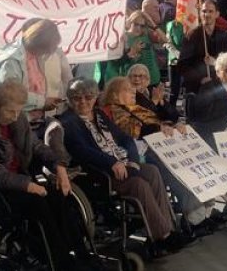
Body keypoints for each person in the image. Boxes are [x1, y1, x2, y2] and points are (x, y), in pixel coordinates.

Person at [0, 81, 98, 271]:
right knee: (38, 202)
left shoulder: (16, 118)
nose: (15, 117)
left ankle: (82, 256)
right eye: (10, 112)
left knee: (59, 195)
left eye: (18, 112)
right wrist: (29, 185)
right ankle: (61, 263)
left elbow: (36, 146)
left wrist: (59, 166)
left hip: (17, 179)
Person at [59, 78, 189, 256]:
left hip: (121, 162)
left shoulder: (99, 114)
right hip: (100, 172)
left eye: (88, 97)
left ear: (96, 97)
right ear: (69, 99)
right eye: (76, 98)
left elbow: (125, 138)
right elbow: (81, 150)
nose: (83, 102)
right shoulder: (68, 121)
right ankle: (163, 236)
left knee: (152, 171)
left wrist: (133, 160)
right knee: (138, 185)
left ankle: (166, 228)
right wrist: (112, 162)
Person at [102, 77, 224, 236]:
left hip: (153, 147)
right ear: (115, 94)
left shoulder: (136, 108)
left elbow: (161, 119)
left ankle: (202, 210)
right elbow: (132, 130)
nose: (133, 92)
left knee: (189, 163)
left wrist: (172, 126)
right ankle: (195, 218)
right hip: (138, 153)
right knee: (172, 170)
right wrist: (159, 129)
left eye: (133, 89)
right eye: (127, 89)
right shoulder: (114, 110)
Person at [0, 18, 73, 123]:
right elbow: (12, 97)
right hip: (17, 121)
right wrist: (42, 102)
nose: (47, 54)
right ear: (39, 45)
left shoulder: (35, 54)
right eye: (46, 50)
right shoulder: (12, 61)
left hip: (38, 119)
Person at [177, 0, 227, 95]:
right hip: (197, 89)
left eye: (210, 11)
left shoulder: (224, 36)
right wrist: (200, 79)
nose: (207, 15)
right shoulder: (192, 35)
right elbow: (182, 65)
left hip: (219, 88)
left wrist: (215, 63)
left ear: (217, 14)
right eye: (204, 11)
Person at [100, 11, 161, 85]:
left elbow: (166, 40)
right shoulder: (122, 37)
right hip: (133, 80)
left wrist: (152, 23)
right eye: (136, 24)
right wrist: (132, 52)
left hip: (152, 78)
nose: (138, 28)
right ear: (130, 22)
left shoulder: (146, 34)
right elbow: (115, 62)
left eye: (142, 26)